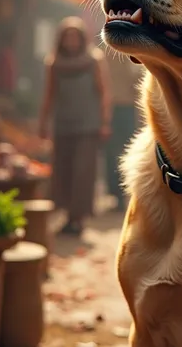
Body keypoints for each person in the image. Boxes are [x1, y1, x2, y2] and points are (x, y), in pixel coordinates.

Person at [38, 17, 110, 235]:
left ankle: (78, 218)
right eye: (67, 36)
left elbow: (104, 92)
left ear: (81, 38)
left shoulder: (93, 60)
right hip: (63, 125)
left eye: (74, 36)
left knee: (83, 172)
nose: (71, 41)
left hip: (87, 125)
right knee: (64, 171)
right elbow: (49, 94)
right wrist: (43, 122)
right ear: (61, 39)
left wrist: (105, 121)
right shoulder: (54, 63)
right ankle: (68, 215)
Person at [105, 53, 142, 212]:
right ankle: (118, 193)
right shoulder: (103, 51)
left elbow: (139, 78)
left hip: (126, 107)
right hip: (111, 107)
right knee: (113, 152)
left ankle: (123, 192)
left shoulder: (132, 51)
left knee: (123, 151)